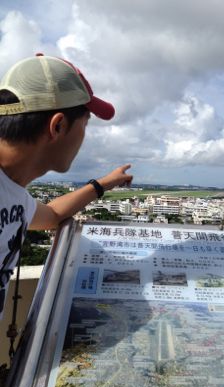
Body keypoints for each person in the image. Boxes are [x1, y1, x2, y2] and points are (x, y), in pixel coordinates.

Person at [0, 54, 133, 320]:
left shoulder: (15, 195)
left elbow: (51, 215)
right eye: (86, 124)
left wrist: (103, 184)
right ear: (58, 125)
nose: (85, 136)